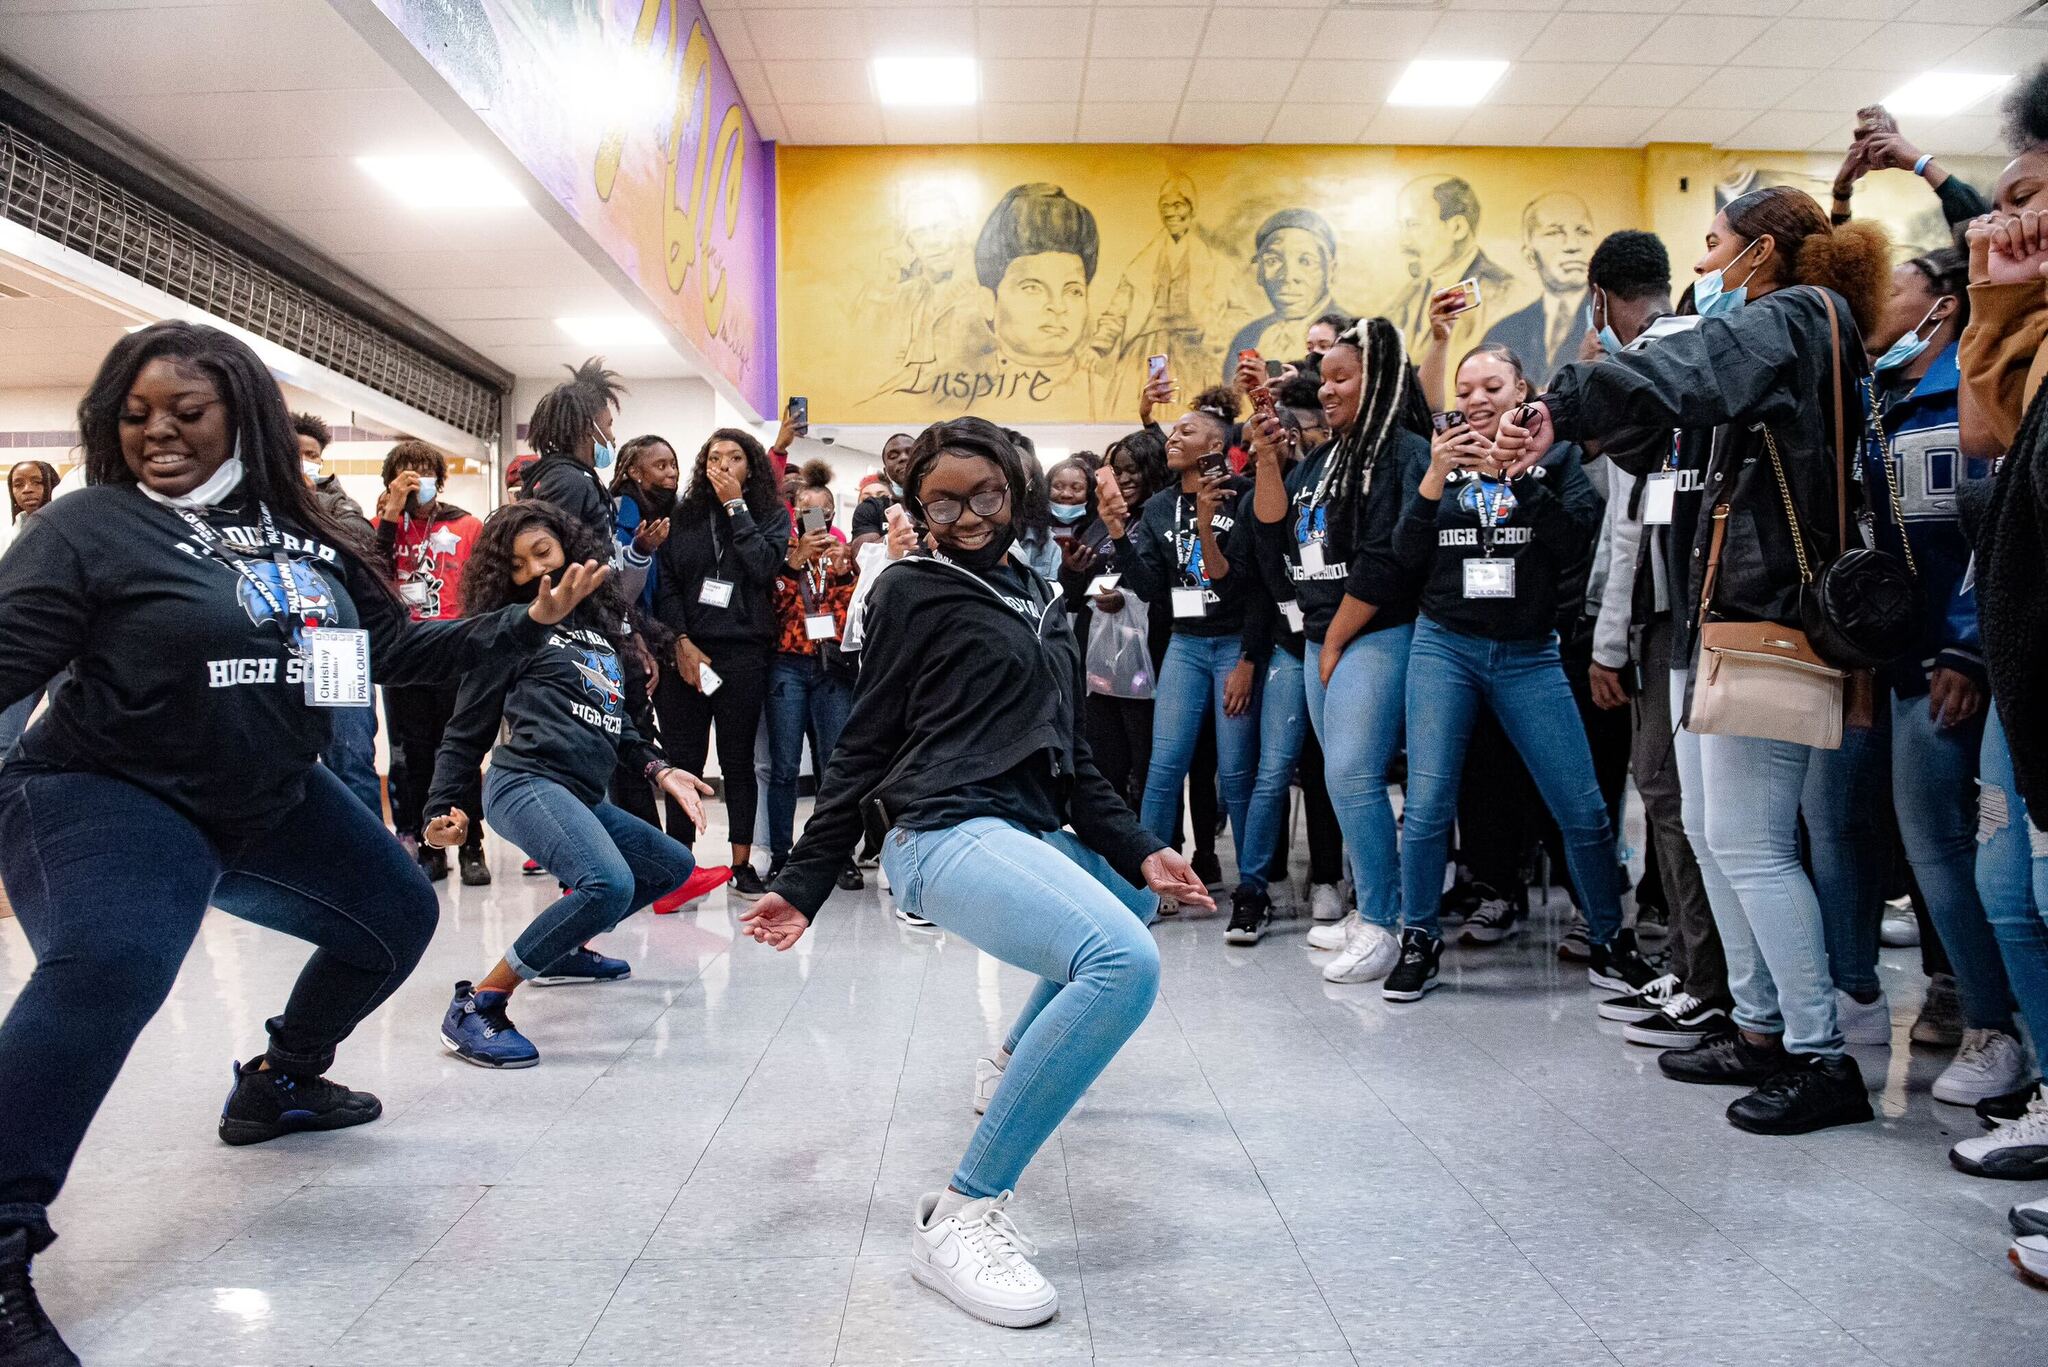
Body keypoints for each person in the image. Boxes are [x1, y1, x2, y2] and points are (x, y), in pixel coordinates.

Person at [0, 322, 609, 1366]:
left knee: (397, 913)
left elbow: (396, 649)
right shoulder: (86, 526)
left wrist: (526, 619)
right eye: (135, 414)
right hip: (104, 788)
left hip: (265, 793)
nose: (158, 433)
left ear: (240, 416)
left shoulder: (303, 533)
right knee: (112, 958)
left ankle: (281, 1078)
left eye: (185, 413)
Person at [738, 416, 1213, 1329]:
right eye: (941, 502)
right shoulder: (913, 589)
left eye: (982, 496)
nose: (963, 517)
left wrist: (1145, 848)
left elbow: (1073, 765)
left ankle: (1008, 1068)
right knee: (1122, 965)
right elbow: (865, 739)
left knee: (1128, 898)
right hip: (940, 830)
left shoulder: (1043, 598)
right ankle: (959, 1216)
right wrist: (803, 882)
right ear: (917, 506)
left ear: (1015, 491)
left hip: (1022, 825)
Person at [1499, 185, 1894, 1135]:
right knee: (1722, 834)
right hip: (1729, 613)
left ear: (1762, 251)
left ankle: (1820, 1053)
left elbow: (1698, 368)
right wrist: (1583, 417)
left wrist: (1566, 395)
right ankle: (1758, 1026)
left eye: (1713, 246)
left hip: (1773, 614)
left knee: (1752, 841)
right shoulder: (1773, 333)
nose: (1701, 269)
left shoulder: (1799, 314)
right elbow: (1667, 427)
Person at [1388, 343, 1658, 1005]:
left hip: (1529, 651)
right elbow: (1402, 557)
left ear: (1522, 392)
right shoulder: (1437, 456)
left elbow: (1576, 544)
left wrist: (1523, 480)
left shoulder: (1558, 456)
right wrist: (1433, 479)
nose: (1478, 399)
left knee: (1584, 807)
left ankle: (1609, 938)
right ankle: (1418, 937)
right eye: (1467, 388)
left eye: (1493, 387)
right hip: (1444, 646)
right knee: (1426, 807)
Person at [425, 501, 709, 1067]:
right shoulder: (512, 631)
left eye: (542, 553)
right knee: (607, 882)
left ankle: (559, 951)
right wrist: (445, 805)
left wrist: (662, 769)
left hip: (579, 793)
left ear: (570, 552)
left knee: (669, 866)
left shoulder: (598, 635)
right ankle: (480, 1002)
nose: (533, 571)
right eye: (518, 565)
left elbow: (621, 726)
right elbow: (464, 730)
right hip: (523, 782)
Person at [1857, 247, 2027, 1104]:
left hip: (1962, 665)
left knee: (1972, 854)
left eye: (1892, 287)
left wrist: (1966, 648)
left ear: (1943, 308)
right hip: (1889, 663)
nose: (1874, 302)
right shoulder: (1873, 404)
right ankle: (1978, 1003)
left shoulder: (1970, 398)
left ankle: (1997, 1024)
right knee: (1924, 847)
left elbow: (1990, 536)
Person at [1579, 231, 1734, 1049]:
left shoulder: (1659, 366)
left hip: (1678, 615)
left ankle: (1713, 981)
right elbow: (1627, 519)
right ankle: (1689, 963)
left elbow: (1635, 528)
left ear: (1598, 296)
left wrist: (1610, 640)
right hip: (1654, 618)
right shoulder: (1686, 358)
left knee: (1678, 803)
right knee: (1666, 798)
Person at [1242, 321, 1429, 979]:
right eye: (1324, 380)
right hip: (1324, 634)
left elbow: (1388, 559)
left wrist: (1335, 641)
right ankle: (1368, 904)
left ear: (1378, 381)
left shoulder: (1404, 453)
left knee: (1352, 773)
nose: (1328, 391)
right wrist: (1268, 459)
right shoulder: (1323, 459)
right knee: (1341, 780)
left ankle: (1384, 923)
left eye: (1343, 377)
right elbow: (1272, 527)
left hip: (1374, 633)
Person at [1116, 387, 1258, 891]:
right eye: (1172, 431)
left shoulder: (1243, 493)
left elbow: (1253, 583)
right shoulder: (1156, 507)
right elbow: (1153, 587)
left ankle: (1252, 885)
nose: (1173, 437)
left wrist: (1249, 656)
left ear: (1216, 443)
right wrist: (1117, 536)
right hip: (1186, 643)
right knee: (1164, 763)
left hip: (1233, 641)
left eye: (1186, 431)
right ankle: (1155, 882)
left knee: (1237, 771)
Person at [654, 427, 788, 895]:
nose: (724, 465)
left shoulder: (770, 515)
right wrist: (680, 640)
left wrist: (737, 508)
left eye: (734, 457)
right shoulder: (682, 514)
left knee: (738, 762)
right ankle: (679, 864)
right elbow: (666, 582)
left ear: (750, 466)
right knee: (683, 760)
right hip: (687, 654)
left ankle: (741, 864)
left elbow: (763, 567)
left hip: (742, 654)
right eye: (715, 457)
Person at [374, 440, 490, 886]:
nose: (416, 479)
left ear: (438, 480)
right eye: (406, 471)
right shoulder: (381, 527)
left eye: (424, 471)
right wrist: (389, 517)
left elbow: (483, 587)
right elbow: (372, 574)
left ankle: (472, 844)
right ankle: (430, 846)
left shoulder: (466, 525)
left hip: (455, 649)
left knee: (460, 752)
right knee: (414, 756)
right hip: (403, 655)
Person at [764, 468, 861, 890]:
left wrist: (842, 573)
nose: (812, 518)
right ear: (794, 514)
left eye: (821, 512)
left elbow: (851, 616)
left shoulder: (846, 556)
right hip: (787, 664)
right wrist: (792, 565)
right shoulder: (781, 552)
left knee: (834, 766)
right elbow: (770, 608)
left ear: (833, 513)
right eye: (805, 511)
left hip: (831, 669)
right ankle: (782, 856)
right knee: (784, 767)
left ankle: (836, 855)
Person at [1070, 431, 1170, 811]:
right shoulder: (1095, 521)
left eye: (1133, 470)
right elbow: (1077, 589)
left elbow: (1153, 586)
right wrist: (1073, 571)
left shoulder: (1158, 516)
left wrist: (1123, 597)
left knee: (1144, 761)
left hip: (1145, 654)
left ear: (1152, 470)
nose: (1124, 479)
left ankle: (1159, 845)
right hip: (1098, 654)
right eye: (1117, 471)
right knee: (1103, 757)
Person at [1387, 174, 1518, 361]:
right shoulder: (1407, 296)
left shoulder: (1501, 293)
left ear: (1458, 228)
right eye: (1401, 227)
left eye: (1413, 225)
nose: (1403, 241)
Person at [1226, 209, 1358, 381]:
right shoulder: (1248, 338)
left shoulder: (1349, 334)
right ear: (1259, 272)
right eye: (1272, 261)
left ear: (1330, 270)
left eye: (1305, 261)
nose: (1288, 277)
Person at [1482, 192, 1597, 388]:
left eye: (1583, 231)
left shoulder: (1615, 323)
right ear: (1530, 256)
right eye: (1554, 232)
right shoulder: (1502, 334)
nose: (1572, 245)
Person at [609, 434, 679, 619]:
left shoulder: (679, 512)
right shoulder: (614, 515)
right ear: (635, 472)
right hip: (630, 627)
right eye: (661, 466)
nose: (672, 473)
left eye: (673, 465)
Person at [291, 412, 366, 526]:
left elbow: (361, 531)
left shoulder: (337, 502)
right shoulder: (268, 494)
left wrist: (311, 502)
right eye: (296, 454)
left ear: (320, 463)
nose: (303, 461)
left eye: (311, 455)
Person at [851, 433, 915, 542]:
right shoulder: (870, 508)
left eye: (911, 453)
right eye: (893, 456)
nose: (903, 458)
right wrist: (891, 539)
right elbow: (862, 555)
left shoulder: (939, 501)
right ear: (885, 472)